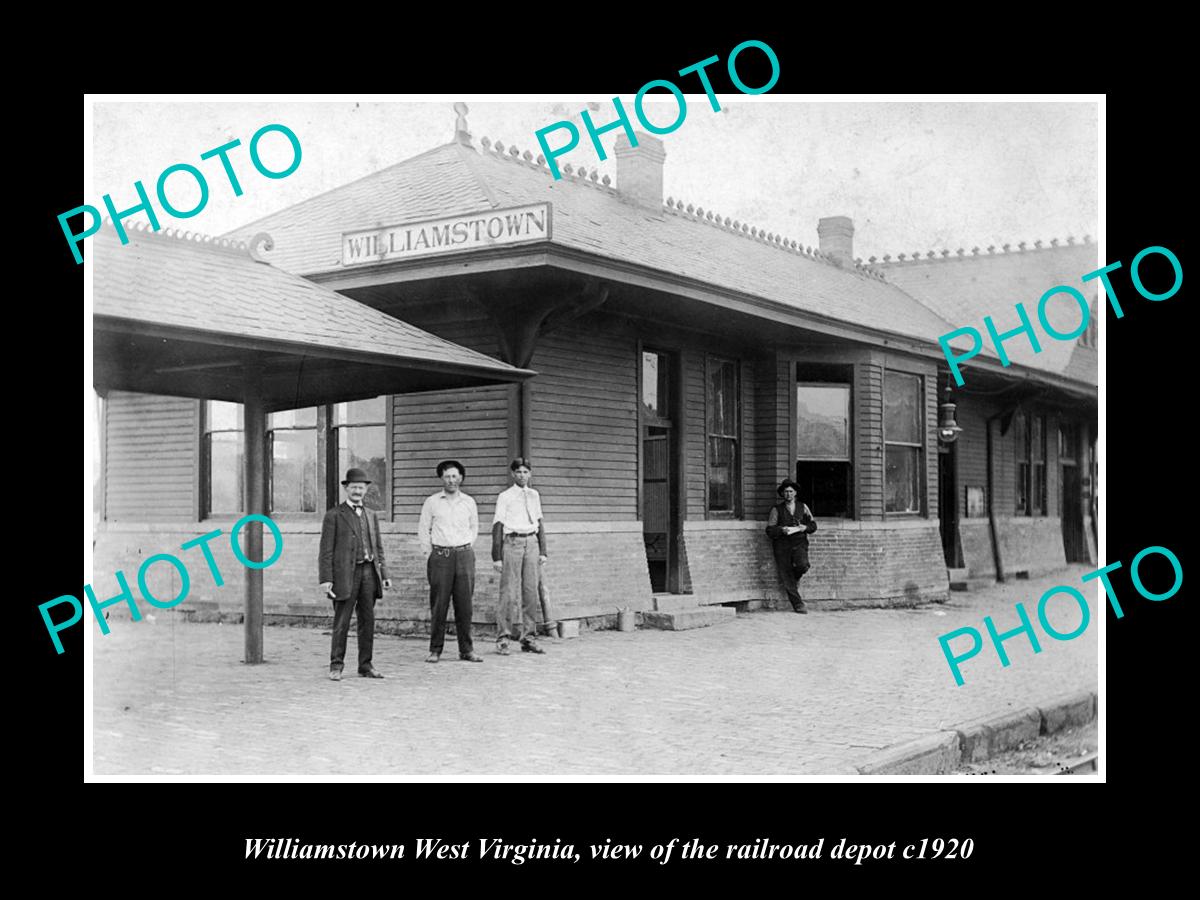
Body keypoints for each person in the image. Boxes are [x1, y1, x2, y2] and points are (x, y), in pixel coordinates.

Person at [319, 468, 392, 680]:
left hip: (369, 573)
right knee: (342, 621)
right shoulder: (334, 515)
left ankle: (365, 665)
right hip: (345, 575)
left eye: (361, 488)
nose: (357, 491)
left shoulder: (371, 515)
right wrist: (326, 579)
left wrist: (384, 573)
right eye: (354, 488)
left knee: (367, 621)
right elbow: (326, 551)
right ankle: (336, 666)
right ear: (346, 489)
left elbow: (378, 547)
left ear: (366, 489)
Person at [417, 460, 483, 663]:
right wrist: (431, 553)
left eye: (455, 476)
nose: (451, 480)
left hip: (464, 556)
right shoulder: (432, 502)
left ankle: (467, 650)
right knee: (439, 605)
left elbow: (474, 528)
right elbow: (423, 529)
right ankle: (435, 650)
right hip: (440, 558)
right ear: (441, 478)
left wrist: (464, 547)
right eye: (447, 476)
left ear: (461, 478)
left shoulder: (469, 502)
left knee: (464, 605)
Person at [491, 457, 548, 655]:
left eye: (526, 472)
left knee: (530, 591)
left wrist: (543, 550)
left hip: (531, 542)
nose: (522, 475)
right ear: (512, 474)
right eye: (519, 472)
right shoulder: (505, 496)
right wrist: (496, 556)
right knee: (509, 592)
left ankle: (529, 638)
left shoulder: (534, 495)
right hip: (512, 543)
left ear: (530, 474)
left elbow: (540, 522)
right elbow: (497, 525)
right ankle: (503, 638)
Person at [766, 478, 818, 614]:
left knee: (803, 565)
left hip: (799, 543)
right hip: (782, 546)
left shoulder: (803, 507)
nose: (788, 494)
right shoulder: (776, 510)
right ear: (782, 494)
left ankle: (793, 580)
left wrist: (805, 527)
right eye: (786, 492)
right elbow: (770, 530)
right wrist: (782, 530)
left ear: (795, 493)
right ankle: (798, 604)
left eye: (791, 491)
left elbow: (813, 526)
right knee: (785, 573)